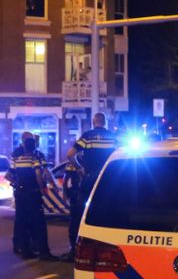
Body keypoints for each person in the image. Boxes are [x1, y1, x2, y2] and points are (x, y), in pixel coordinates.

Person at [63, 112, 117, 261]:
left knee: (82, 215)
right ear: (104, 122)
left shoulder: (87, 136)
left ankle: (78, 250)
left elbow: (70, 154)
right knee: (108, 215)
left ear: (94, 122)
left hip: (89, 179)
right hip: (108, 180)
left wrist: (80, 169)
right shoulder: (113, 137)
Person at [7, 132, 54, 260]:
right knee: (38, 223)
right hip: (32, 193)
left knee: (21, 222)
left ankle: (23, 249)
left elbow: (8, 175)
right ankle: (43, 251)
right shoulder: (35, 156)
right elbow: (40, 174)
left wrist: (16, 183)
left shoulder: (16, 156)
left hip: (20, 193)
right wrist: (43, 188)